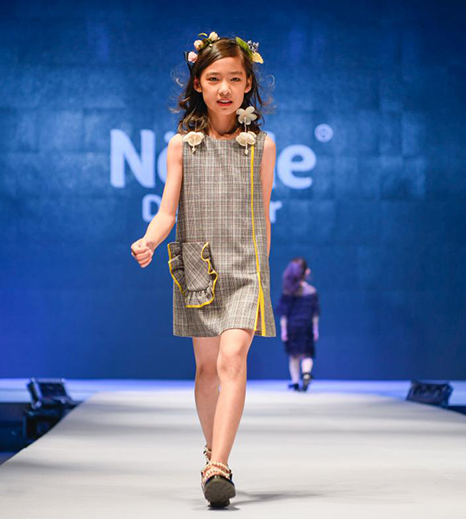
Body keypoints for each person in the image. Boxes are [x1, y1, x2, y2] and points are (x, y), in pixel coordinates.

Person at [130, 31, 275, 508]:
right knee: (207, 369)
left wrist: (263, 274)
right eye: (214, 78)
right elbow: (167, 211)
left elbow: (263, 213)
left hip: (247, 268)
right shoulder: (182, 146)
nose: (224, 88)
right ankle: (213, 450)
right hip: (199, 266)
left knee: (233, 358)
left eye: (234, 78)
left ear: (248, 83)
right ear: (197, 84)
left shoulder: (263, 146)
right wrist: (150, 240)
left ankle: (219, 467)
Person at [276, 258, 320, 392]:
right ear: (306, 272)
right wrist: (315, 329)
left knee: (293, 356)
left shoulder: (288, 291)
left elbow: (283, 313)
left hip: (292, 326)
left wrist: (283, 330)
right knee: (307, 354)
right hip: (306, 326)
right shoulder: (311, 291)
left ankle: (295, 382)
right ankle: (306, 373)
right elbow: (315, 313)